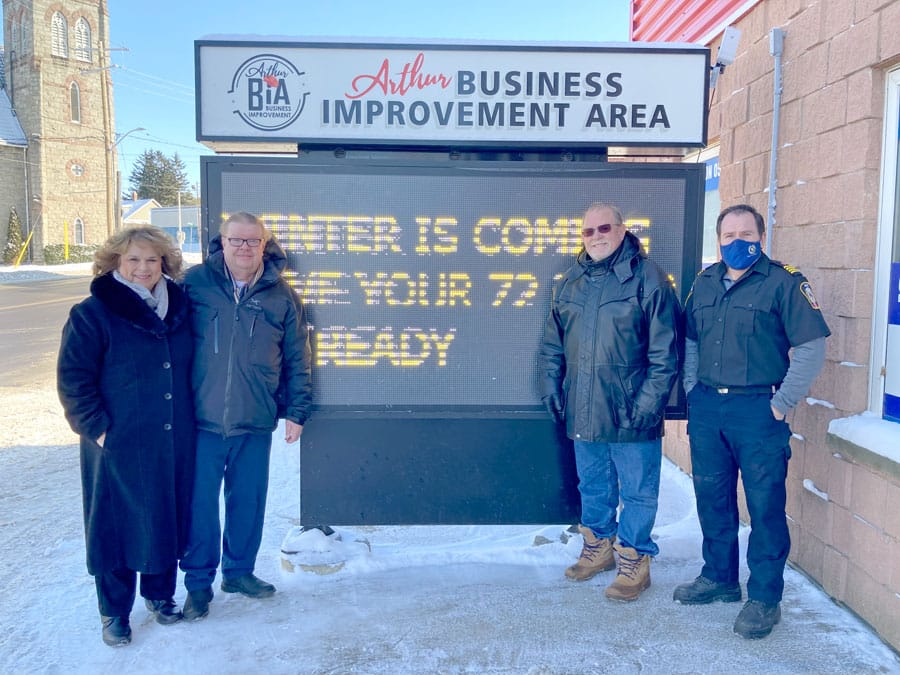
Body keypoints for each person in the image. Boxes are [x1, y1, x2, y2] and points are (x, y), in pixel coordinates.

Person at [673, 204, 830, 639]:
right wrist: (691, 391)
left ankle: (764, 598)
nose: (737, 240)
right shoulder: (703, 283)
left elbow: (812, 347)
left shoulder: (783, 282)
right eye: (728, 234)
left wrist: (782, 404)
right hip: (707, 410)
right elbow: (690, 342)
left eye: (746, 232)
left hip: (759, 412)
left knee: (764, 509)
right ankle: (720, 578)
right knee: (712, 498)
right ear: (718, 240)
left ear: (761, 235)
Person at [57, 226, 195, 647]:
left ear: (164, 264)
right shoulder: (93, 313)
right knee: (115, 525)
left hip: (173, 437)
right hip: (117, 440)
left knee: (165, 515)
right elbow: (74, 379)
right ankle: (114, 611)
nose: (143, 268)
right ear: (115, 263)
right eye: (133, 259)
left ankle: (159, 594)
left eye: (152, 260)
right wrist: (97, 428)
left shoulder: (181, 308)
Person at [539, 202, 681, 601]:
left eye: (604, 228)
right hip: (583, 408)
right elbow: (553, 344)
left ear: (622, 230)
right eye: (588, 231)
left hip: (632, 412)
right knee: (594, 485)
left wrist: (646, 407)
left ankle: (635, 559)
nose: (596, 236)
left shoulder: (648, 279)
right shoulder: (569, 282)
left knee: (638, 491)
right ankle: (598, 547)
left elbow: (664, 354)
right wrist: (553, 386)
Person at [180, 211, 313, 620]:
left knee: (248, 502)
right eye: (236, 240)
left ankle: (238, 572)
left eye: (252, 241)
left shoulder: (281, 295)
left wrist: (297, 410)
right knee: (200, 506)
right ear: (222, 242)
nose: (244, 247)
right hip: (200, 421)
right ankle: (198, 583)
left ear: (264, 245)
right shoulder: (194, 284)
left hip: (254, 419)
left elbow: (297, 356)